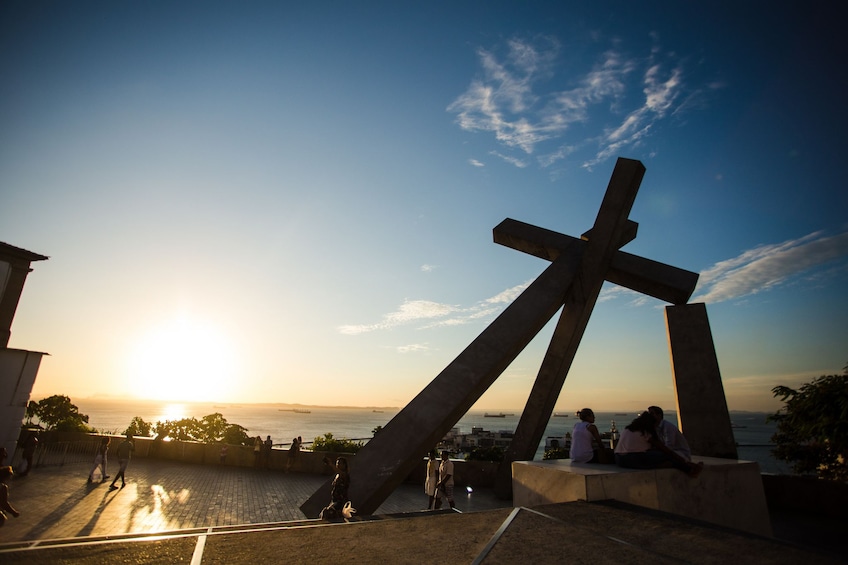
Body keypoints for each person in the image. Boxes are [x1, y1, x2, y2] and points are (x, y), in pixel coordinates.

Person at [614, 412, 703, 477]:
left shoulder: (627, 429)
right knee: (666, 455)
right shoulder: (645, 432)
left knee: (663, 458)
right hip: (634, 458)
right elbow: (665, 450)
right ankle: (689, 469)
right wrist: (683, 460)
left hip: (620, 460)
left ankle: (674, 465)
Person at [320, 456, 350, 520]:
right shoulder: (337, 475)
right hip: (334, 500)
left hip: (340, 501)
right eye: (337, 463)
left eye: (339, 463)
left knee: (328, 512)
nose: (337, 465)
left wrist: (331, 464)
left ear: (344, 465)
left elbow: (341, 473)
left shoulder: (345, 475)